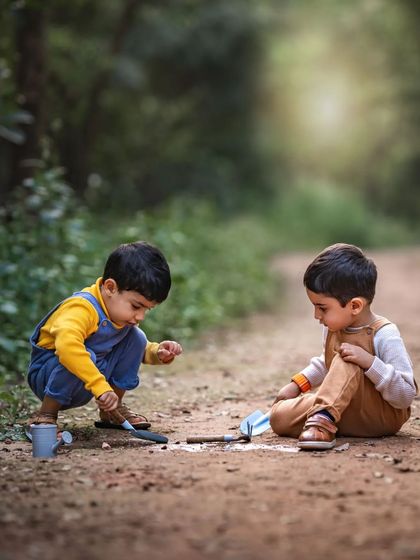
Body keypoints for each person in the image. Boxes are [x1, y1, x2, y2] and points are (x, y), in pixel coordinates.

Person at [270, 243, 417, 450]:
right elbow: (326, 363)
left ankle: (322, 418)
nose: (316, 316)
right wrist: (298, 385)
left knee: (348, 357)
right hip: (341, 410)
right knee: (278, 417)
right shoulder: (333, 328)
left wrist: (369, 363)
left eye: (322, 308)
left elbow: (405, 395)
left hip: (379, 417)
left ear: (355, 306)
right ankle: (324, 419)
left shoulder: (385, 334)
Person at [27, 241, 182, 430]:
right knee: (79, 352)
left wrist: (157, 352)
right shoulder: (81, 308)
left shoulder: (118, 314)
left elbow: (133, 349)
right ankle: (46, 414)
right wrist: (100, 386)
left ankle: (112, 410)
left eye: (147, 310)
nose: (140, 316)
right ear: (110, 287)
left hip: (88, 379)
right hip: (48, 377)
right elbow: (67, 348)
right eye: (136, 306)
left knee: (136, 337)